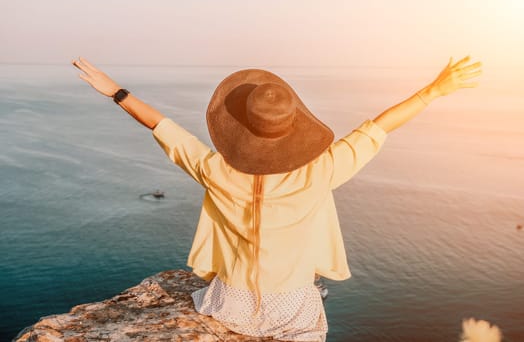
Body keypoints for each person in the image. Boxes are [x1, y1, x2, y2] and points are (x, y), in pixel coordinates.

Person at [72, 56, 482, 341]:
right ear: (293, 129)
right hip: (291, 307)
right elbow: (376, 128)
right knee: (310, 317)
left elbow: (164, 127)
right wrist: (434, 90)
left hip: (229, 302)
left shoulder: (216, 171)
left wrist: (117, 92)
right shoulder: (320, 171)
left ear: (240, 128)